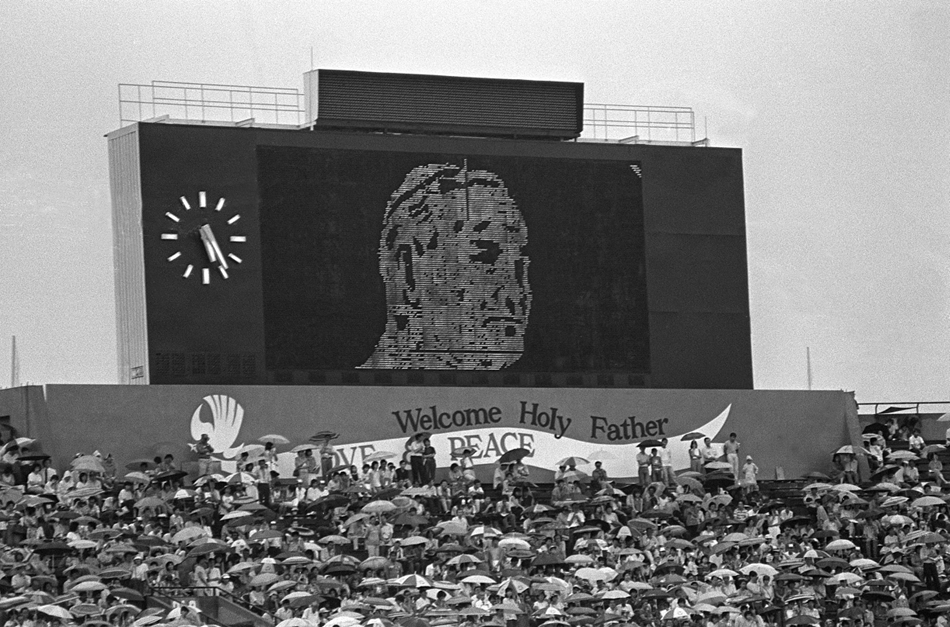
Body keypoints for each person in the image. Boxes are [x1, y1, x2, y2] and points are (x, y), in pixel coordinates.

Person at [359, 163, 531, 370]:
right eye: (488, 256)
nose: (517, 293)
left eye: (519, 267)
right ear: (408, 272)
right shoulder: (347, 399)